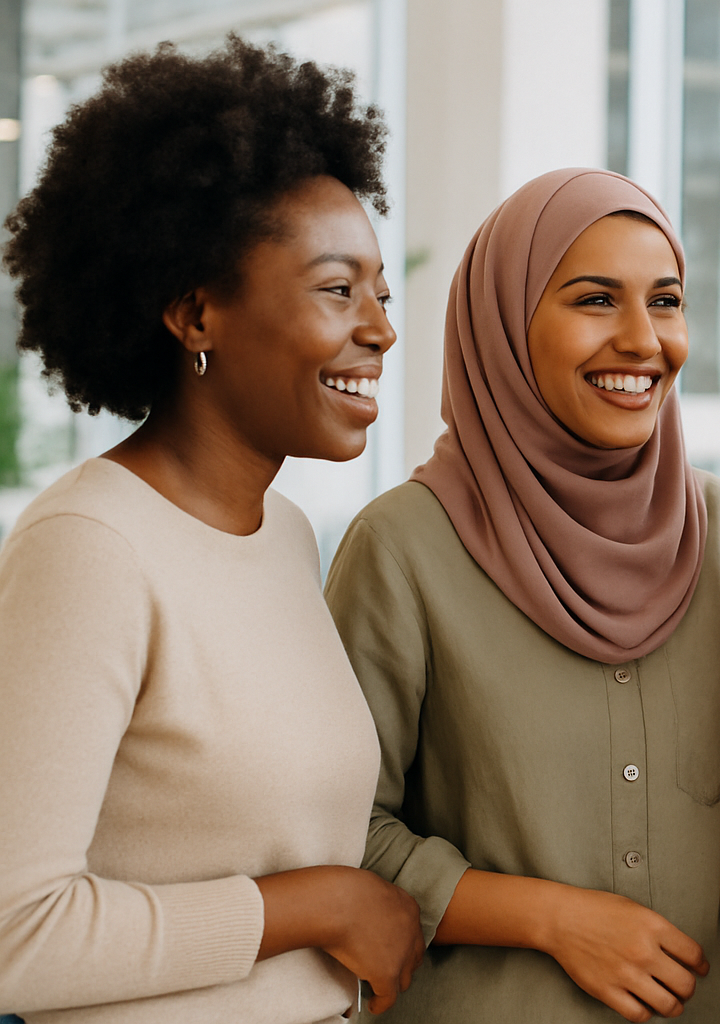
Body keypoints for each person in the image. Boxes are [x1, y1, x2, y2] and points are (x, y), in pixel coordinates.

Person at [0, 38, 425, 1024]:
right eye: (337, 289)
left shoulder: (284, 534)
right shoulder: (89, 547)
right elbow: (17, 936)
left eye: (381, 293)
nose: (382, 330)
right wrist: (315, 902)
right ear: (197, 313)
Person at [323, 167, 720, 1023]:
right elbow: (340, 834)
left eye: (668, 300)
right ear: (503, 325)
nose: (645, 340)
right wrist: (554, 920)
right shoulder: (403, 547)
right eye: (595, 301)